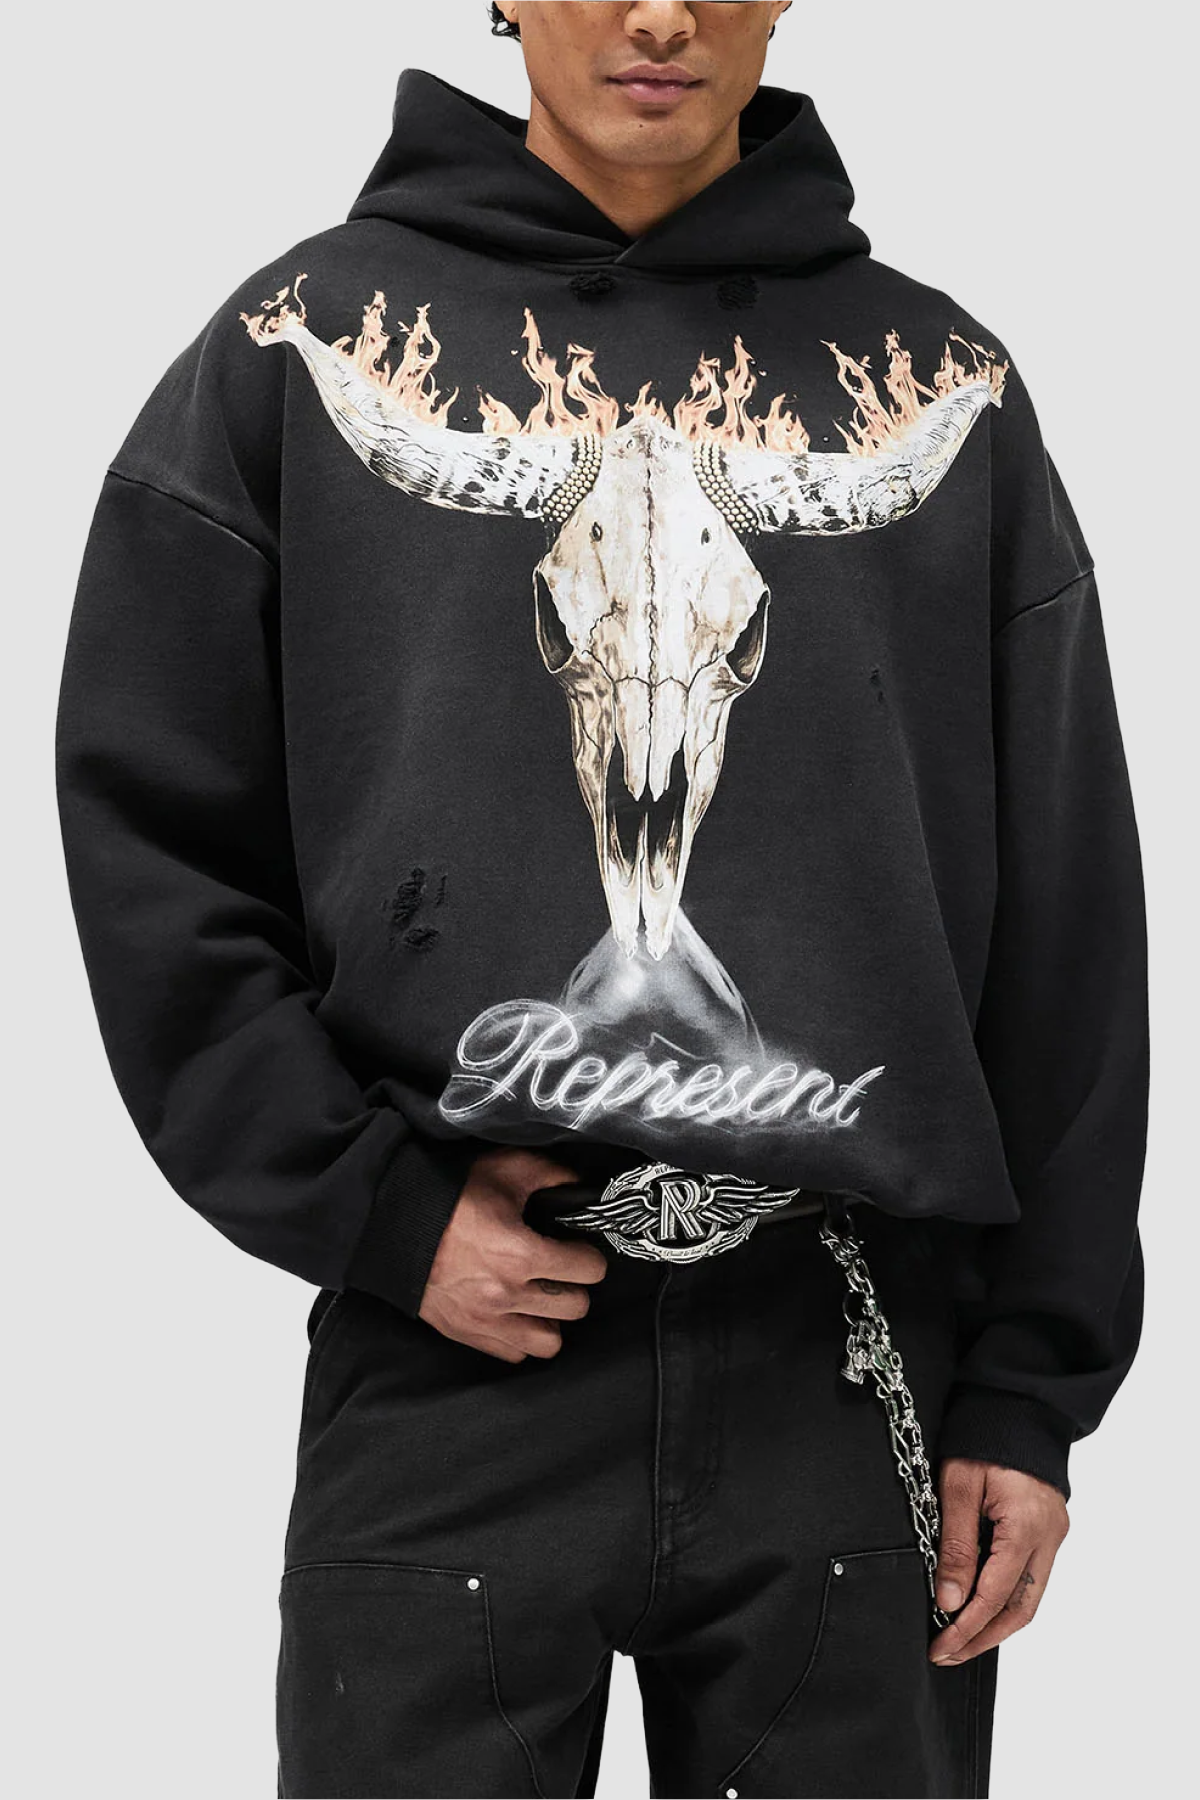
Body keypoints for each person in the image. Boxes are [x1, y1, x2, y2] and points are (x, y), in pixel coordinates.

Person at [54, 3, 1148, 1795]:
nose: (659, 13)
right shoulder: (296, 346)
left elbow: (1068, 924)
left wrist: (1032, 1387)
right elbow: (156, 845)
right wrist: (377, 1212)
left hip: (851, 1354)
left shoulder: (943, 389)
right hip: (449, 1357)